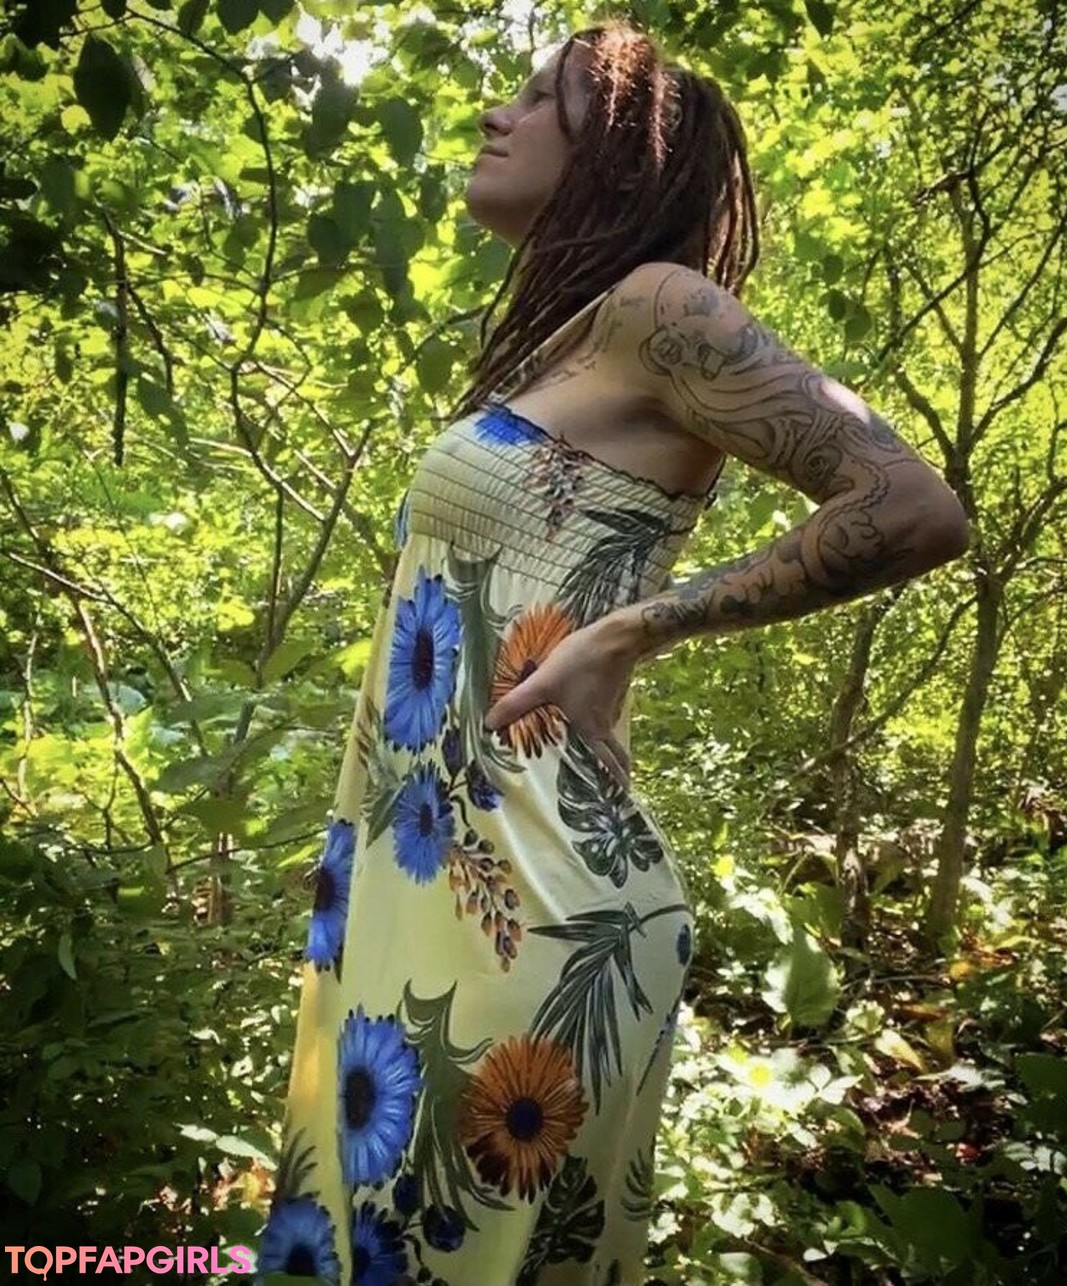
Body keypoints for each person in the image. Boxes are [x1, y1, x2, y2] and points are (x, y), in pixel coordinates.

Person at [255, 19, 969, 1286]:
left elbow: (912, 506)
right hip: (428, 886)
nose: (499, 113)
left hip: (536, 919)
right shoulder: (567, 342)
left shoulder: (660, 306)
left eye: (546, 99)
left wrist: (638, 628)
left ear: (619, 158)